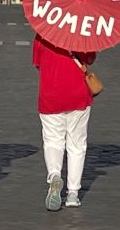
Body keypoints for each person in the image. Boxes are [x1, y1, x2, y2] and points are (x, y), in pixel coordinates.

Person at [32, 34, 96, 211]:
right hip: (78, 95)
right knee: (77, 145)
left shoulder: (43, 33)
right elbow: (90, 58)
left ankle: (54, 175)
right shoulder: (84, 32)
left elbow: (38, 63)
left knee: (53, 141)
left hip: (50, 94)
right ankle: (73, 194)